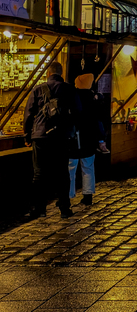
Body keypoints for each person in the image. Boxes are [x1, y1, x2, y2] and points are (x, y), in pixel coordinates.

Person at [23, 61, 82, 219]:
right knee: (62, 173)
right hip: (61, 137)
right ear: (60, 73)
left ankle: (39, 208)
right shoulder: (70, 89)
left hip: (41, 137)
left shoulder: (38, 89)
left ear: (48, 73)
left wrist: (27, 136)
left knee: (39, 174)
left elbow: (28, 115)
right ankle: (64, 208)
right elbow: (78, 113)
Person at [69, 74, 102, 206]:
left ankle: (69, 195)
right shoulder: (93, 98)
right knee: (88, 167)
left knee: (70, 168)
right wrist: (101, 139)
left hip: (73, 137)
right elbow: (97, 120)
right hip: (88, 138)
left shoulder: (71, 97)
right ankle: (87, 195)